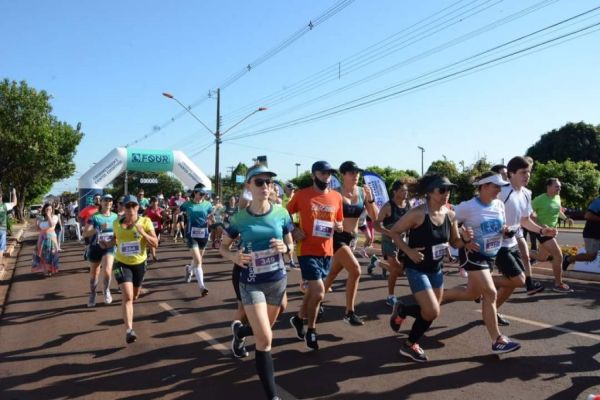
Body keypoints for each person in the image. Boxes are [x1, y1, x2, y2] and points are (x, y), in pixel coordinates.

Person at [220, 164, 294, 400]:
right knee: (265, 339)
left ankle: (241, 331)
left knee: (264, 332)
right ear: (249, 186)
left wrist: (286, 247)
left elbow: (290, 244)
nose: (265, 186)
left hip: (277, 280)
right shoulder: (239, 218)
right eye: (259, 182)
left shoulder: (281, 213)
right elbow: (222, 246)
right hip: (251, 281)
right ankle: (272, 396)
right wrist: (233, 256)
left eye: (268, 182)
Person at [388, 174, 470, 362]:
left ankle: (403, 310)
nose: (446, 194)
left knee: (431, 311)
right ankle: (409, 345)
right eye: (442, 190)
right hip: (416, 267)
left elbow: (455, 242)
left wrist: (464, 240)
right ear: (429, 192)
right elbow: (394, 232)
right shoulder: (417, 214)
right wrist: (409, 252)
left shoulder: (450, 214)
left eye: (449, 190)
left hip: (436, 268)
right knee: (432, 311)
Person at [443, 172, 521, 354]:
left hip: (490, 256)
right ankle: (497, 340)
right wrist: (463, 239)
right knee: (490, 292)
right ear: (484, 186)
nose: (499, 190)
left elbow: (498, 226)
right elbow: (447, 221)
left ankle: (436, 298)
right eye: (496, 186)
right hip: (473, 255)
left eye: (501, 187)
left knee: (471, 293)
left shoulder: (499, 204)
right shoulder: (468, 207)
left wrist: (505, 230)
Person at [287, 161, 343, 350]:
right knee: (319, 292)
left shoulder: (336, 197)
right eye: (323, 173)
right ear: (314, 175)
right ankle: (311, 330)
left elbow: (339, 221)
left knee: (312, 291)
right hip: (307, 250)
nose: (326, 176)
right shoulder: (302, 195)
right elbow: (283, 215)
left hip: (326, 251)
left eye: (329, 173)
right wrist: (293, 229)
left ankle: (298, 319)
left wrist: (339, 226)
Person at [495, 156, 557, 325]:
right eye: (523, 172)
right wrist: (500, 227)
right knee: (518, 280)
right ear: (511, 174)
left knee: (511, 284)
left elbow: (524, 220)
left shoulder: (526, 194)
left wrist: (543, 230)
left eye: (528, 172)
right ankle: (480, 284)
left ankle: (492, 311)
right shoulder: (501, 191)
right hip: (496, 244)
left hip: (512, 242)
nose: (527, 176)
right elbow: (487, 211)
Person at [323, 161, 378, 326]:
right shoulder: (334, 193)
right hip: (336, 238)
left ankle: (313, 302)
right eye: (352, 173)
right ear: (343, 175)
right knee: (355, 270)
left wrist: (370, 200)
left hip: (351, 239)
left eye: (357, 173)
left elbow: (374, 217)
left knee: (332, 274)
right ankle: (349, 312)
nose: (356, 176)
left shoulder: (362, 192)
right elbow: (325, 217)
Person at [105, 195, 158, 343]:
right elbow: (115, 239)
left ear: (138, 207)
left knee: (134, 296)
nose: (131, 209)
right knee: (127, 297)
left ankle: (129, 322)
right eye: (127, 206)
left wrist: (143, 233)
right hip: (121, 263)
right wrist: (105, 244)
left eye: (133, 206)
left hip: (139, 264)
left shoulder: (145, 222)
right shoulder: (116, 223)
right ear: (123, 207)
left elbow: (155, 244)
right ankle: (129, 330)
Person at [374, 179, 412, 306]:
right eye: (402, 190)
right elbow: (376, 225)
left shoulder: (407, 205)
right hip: (389, 240)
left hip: (403, 240)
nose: (405, 193)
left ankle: (378, 263)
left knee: (401, 271)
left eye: (406, 190)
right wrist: (390, 233)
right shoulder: (388, 206)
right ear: (395, 192)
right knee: (395, 269)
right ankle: (390, 296)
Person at [531, 178, 572, 292]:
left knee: (541, 257)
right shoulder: (539, 199)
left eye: (559, 186)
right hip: (543, 231)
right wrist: (542, 227)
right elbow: (529, 214)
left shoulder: (557, 198)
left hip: (553, 231)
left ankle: (519, 252)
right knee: (558, 255)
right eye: (557, 186)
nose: (559, 188)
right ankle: (558, 284)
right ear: (548, 187)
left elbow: (558, 210)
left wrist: (566, 218)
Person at [83, 194, 118, 307]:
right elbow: (85, 234)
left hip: (109, 246)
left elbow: (118, 233)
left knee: (108, 270)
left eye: (110, 200)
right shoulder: (94, 217)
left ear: (112, 203)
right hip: (96, 247)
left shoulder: (115, 217)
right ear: (101, 202)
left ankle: (106, 290)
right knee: (94, 274)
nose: (108, 202)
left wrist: (114, 241)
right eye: (105, 200)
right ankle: (93, 293)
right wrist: (98, 228)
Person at [181, 183, 214, 296]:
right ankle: (202, 287)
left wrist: (212, 221)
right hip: (191, 234)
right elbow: (177, 211)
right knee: (199, 261)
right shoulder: (187, 204)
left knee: (197, 259)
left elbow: (210, 217)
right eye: (201, 193)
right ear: (195, 193)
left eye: (204, 194)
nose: (203, 196)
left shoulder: (208, 204)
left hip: (204, 234)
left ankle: (189, 269)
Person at [563, 191, 600, 270]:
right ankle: (568, 259)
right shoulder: (597, 202)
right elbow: (587, 215)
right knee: (591, 257)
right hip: (593, 234)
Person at [32, 203, 60, 276]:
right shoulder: (42, 218)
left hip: (50, 237)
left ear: (52, 210)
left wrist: (48, 215)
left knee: (49, 254)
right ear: (44, 210)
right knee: (41, 254)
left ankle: (50, 270)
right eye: (47, 209)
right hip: (41, 237)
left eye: (50, 209)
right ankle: (44, 269)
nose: (48, 210)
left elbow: (51, 225)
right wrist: (36, 221)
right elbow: (38, 229)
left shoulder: (55, 217)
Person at [0, 187, 17, 270]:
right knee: (1, 248)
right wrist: (14, 193)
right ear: (1, 198)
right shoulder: (4, 206)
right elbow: (14, 203)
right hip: (2, 229)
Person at [144, 196, 166, 261]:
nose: (154, 203)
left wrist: (159, 216)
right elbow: (142, 217)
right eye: (152, 202)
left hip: (158, 228)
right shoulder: (147, 209)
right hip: (150, 228)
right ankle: (154, 256)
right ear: (150, 202)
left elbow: (165, 219)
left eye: (155, 201)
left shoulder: (160, 210)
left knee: (156, 244)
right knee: (152, 242)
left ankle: (148, 250)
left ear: (157, 202)